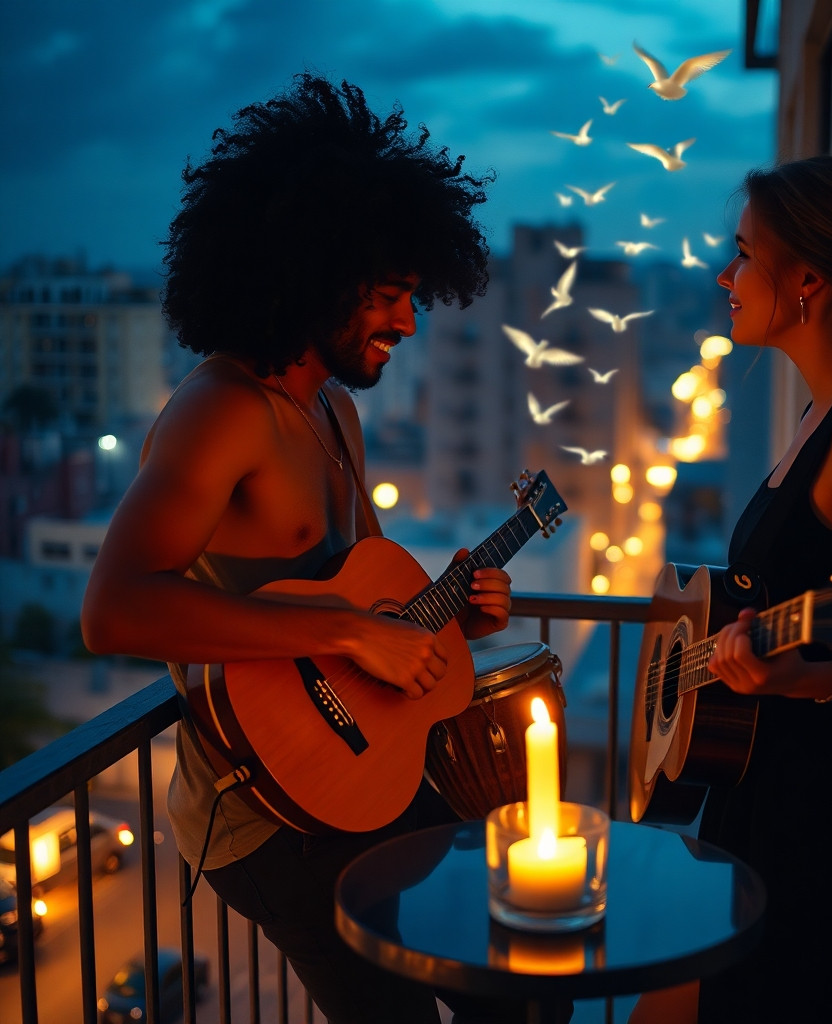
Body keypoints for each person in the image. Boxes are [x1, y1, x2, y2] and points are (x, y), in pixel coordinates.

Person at [81, 74, 515, 1023]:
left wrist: (451, 616)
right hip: (264, 820)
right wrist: (345, 638)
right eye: (389, 295)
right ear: (314, 275)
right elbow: (113, 609)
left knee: (516, 978)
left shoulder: (333, 412)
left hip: (363, 774)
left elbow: (369, 602)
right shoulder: (219, 412)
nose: (407, 320)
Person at [630, 156, 832, 1024]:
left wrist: (801, 678)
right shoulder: (824, 412)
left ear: (807, 277)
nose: (724, 276)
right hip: (768, 797)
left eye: (744, 255)